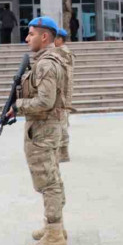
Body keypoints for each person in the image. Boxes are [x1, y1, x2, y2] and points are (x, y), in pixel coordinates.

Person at [7, 16, 70, 245]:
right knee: (51, 178)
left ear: (44, 37)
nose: (26, 38)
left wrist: (18, 107)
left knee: (48, 182)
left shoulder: (46, 63)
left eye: (31, 34)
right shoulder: (47, 60)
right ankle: (55, 226)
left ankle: (54, 238)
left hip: (43, 131)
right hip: (45, 129)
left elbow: (45, 101)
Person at [54, 28, 76, 164]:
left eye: (55, 38)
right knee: (61, 121)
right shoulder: (65, 52)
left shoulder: (61, 53)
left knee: (61, 122)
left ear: (60, 39)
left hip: (62, 93)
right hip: (63, 93)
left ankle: (63, 151)